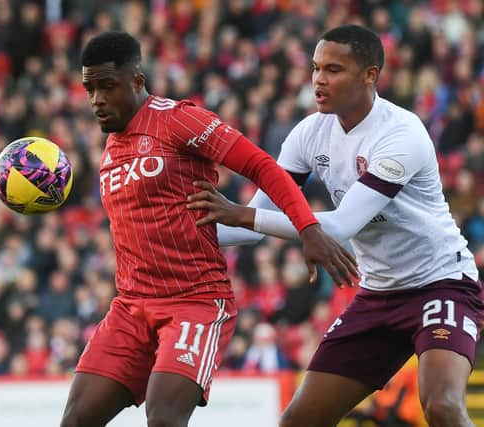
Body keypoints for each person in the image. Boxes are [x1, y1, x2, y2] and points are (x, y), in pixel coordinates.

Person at [186, 24, 484, 427]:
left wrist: (242, 213)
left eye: (333, 69)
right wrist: (175, 234)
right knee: (298, 420)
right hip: (378, 295)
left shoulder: (402, 133)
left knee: (443, 407)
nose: (319, 80)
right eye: (315, 68)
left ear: (370, 74)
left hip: (442, 282)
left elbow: (341, 225)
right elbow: (249, 227)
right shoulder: (309, 134)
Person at [60, 31, 357, 427]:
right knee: (76, 420)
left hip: (194, 303)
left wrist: (307, 228)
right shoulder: (113, 145)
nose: (96, 99)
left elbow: (261, 166)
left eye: (107, 87)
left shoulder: (178, 120)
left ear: (137, 80)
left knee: (164, 418)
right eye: (89, 89)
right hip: (130, 307)